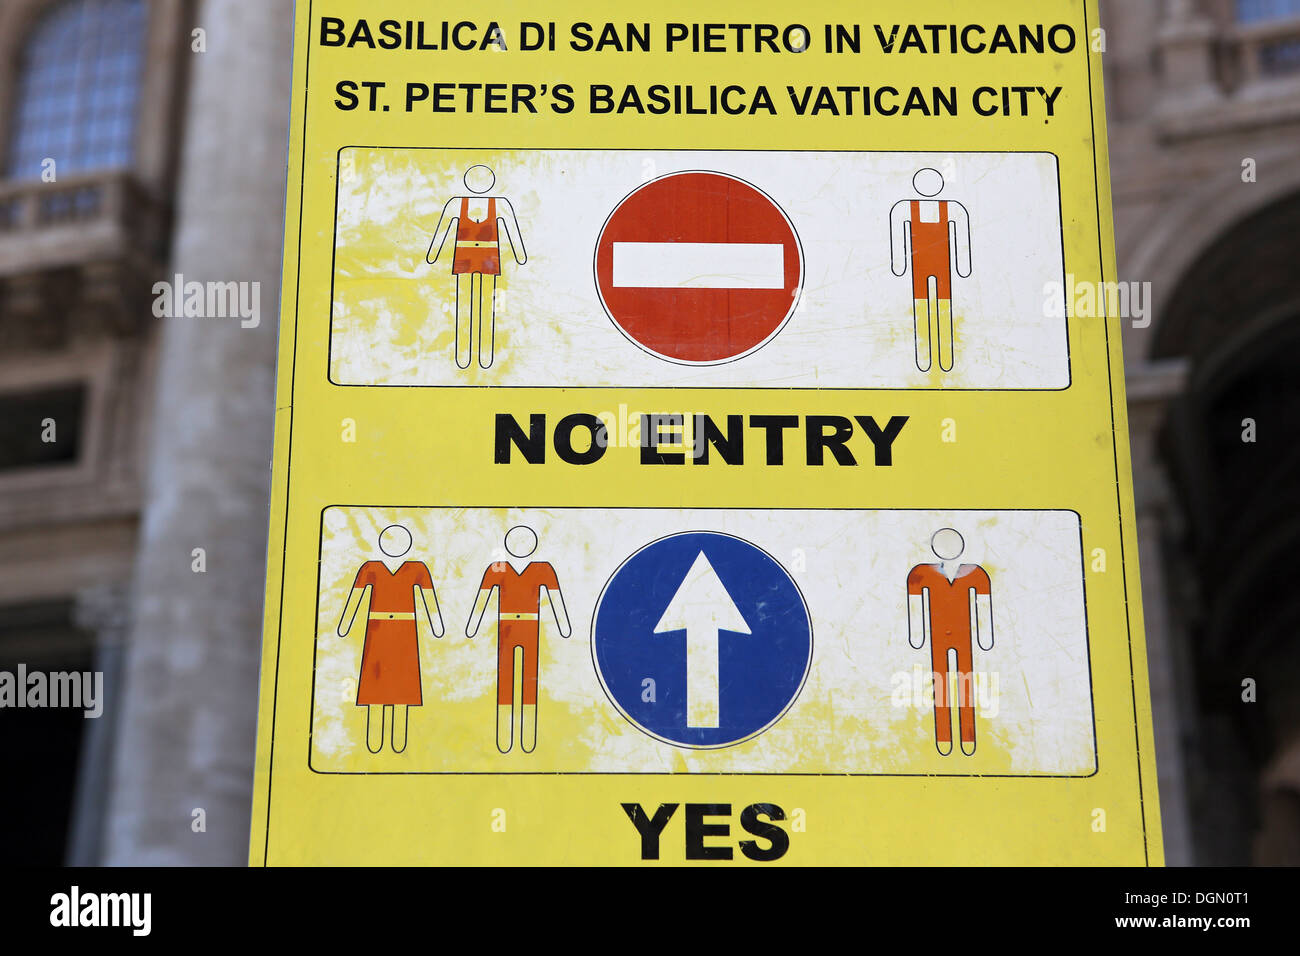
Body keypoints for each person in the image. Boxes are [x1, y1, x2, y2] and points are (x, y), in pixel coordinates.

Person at [337, 525, 445, 753]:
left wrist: (437, 626)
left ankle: (399, 740)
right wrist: (345, 625)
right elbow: (356, 596)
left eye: (399, 541)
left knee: (403, 677)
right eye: (390, 540)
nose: (394, 545)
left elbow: (429, 599)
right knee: (374, 679)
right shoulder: (371, 568)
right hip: (377, 628)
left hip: (406, 629)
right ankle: (373, 737)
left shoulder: (417, 569)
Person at [466, 526, 570, 753]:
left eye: (525, 541)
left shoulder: (543, 569)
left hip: (531, 625)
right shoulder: (497, 569)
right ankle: (504, 733)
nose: (521, 546)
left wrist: (564, 627)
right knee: (506, 677)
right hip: (507, 626)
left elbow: (555, 599)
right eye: (517, 541)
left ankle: (528, 733)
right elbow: (483, 599)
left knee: (529, 677)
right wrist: (473, 626)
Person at [426, 164, 527, 370]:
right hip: (464, 257)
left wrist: (520, 256)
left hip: (488, 257)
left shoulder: (500, 204)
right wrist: (433, 255)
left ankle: (484, 355)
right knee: (464, 304)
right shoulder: (456, 204)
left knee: (487, 306)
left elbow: (513, 232)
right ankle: (463, 354)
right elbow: (442, 231)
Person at [906, 527, 993, 756]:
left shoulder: (976, 574)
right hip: (938, 637)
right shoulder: (921, 573)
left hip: (964, 636)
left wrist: (985, 637)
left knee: (965, 683)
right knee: (941, 683)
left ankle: (968, 738)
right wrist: (917, 636)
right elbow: (915, 607)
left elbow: (983, 607)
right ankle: (944, 737)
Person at [890, 167, 972, 373]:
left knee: (944, 310)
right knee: (922, 310)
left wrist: (963, 266)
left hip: (942, 265)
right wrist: (899, 265)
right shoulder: (907, 207)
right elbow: (897, 234)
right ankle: (925, 359)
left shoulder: (952, 208)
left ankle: (945, 360)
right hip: (920, 266)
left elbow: (962, 237)